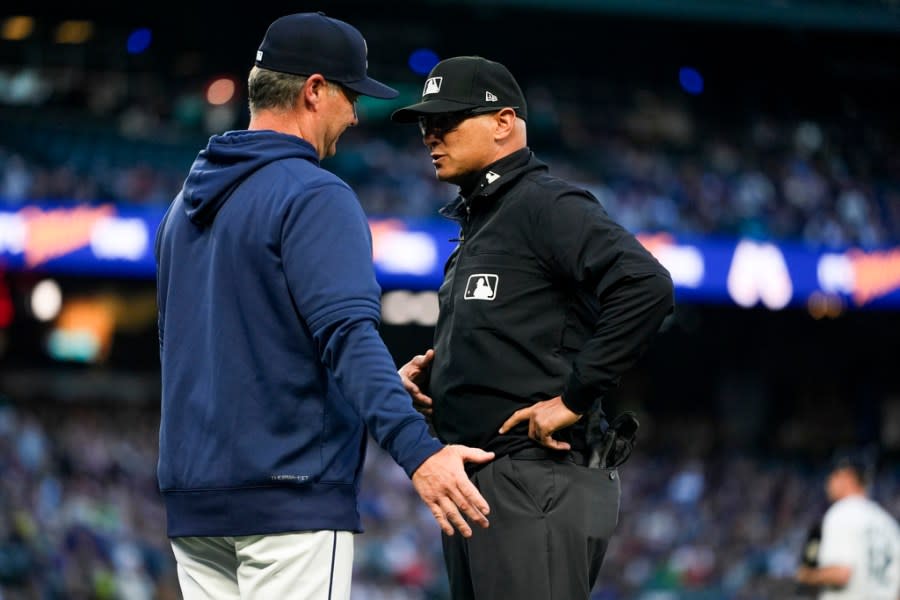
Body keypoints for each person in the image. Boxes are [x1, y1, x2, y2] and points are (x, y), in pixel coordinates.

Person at [154, 15, 495, 600]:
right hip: (287, 501)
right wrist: (422, 454)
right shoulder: (314, 193)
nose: (356, 114)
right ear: (314, 90)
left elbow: (205, 350)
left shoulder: (183, 203)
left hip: (196, 507)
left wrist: (365, 387)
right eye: (350, 94)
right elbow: (348, 340)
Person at [392, 56, 675, 599]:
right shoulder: (483, 219)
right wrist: (443, 379)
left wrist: (574, 396)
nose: (430, 134)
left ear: (503, 122)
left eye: (446, 121)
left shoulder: (544, 203)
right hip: (483, 482)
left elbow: (646, 286)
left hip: (537, 476)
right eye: (426, 124)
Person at [795, 451, 900, 599]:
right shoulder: (889, 524)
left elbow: (842, 573)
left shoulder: (842, 513)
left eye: (833, 475)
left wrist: (808, 575)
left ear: (847, 476)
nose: (828, 482)